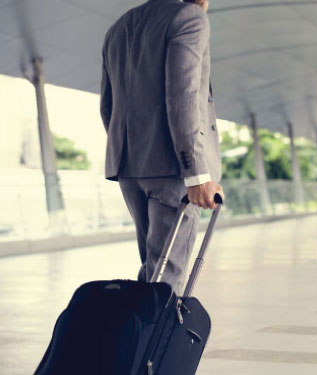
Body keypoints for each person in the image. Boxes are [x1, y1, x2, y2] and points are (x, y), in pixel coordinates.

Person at [100, 0, 223, 294]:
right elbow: (185, 96)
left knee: (152, 271)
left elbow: (108, 106)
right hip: (173, 169)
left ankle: (139, 339)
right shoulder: (189, 18)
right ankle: (153, 340)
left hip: (129, 167)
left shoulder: (118, 28)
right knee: (167, 276)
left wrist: (133, 152)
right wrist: (196, 174)